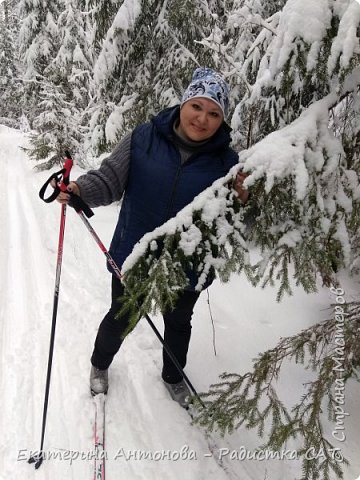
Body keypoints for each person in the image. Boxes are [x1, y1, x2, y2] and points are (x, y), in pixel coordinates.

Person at [56, 67, 249, 408]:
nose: (202, 119)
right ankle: (99, 366)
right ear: (184, 103)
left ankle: (174, 378)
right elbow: (110, 179)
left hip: (189, 264)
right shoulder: (144, 137)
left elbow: (230, 219)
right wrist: (80, 188)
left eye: (214, 113)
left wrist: (244, 201)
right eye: (197, 107)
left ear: (222, 119)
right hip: (134, 253)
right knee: (120, 316)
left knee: (178, 324)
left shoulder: (228, 163)